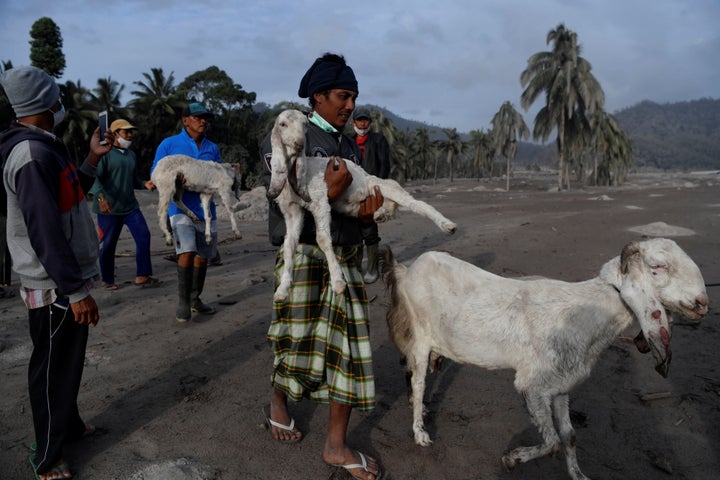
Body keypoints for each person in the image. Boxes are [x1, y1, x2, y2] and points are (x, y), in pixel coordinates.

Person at [261, 53, 384, 480]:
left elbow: (354, 202)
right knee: (294, 341)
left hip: (342, 261)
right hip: (303, 256)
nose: (350, 106)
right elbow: (278, 198)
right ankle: (278, 403)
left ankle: (335, 445)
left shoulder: (349, 145)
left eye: (353, 97)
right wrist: (326, 194)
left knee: (347, 350)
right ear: (318, 97)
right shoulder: (288, 132)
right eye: (342, 96)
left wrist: (367, 219)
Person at [0, 66, 112, 480]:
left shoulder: (47, 145)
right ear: (46, 103)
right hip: (51, 284)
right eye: (56, 96)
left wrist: (92, 159)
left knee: (69, 358)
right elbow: (44, 231)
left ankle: (69, 424)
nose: (61, 102)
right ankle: (47, 455)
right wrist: (75, 291)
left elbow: (73, 194)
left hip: (66, 279)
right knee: (50, 368)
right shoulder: (30, 156)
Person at [149, 103, 219, 323]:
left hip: (206, 211)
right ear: (185, 120)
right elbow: (155, 171)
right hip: (178, 208)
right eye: (198, 117)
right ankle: (183, 303)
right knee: (187, 251)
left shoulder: (212, 148)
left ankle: (195, 298)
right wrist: (172, 180)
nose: (203, 121)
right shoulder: (169, 145)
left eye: (205, 118)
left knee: (202, 258)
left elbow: (218, 174)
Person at [90, 118, 160, 290]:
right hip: (108, 208)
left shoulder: (131, 155)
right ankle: (107, 280)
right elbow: (95, 178)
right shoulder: (104, 153)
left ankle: (142, 275)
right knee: (108, 245)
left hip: (130, 206)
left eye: (131, 132)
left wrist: (144, 183)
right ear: (114, 134)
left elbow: (133, 179)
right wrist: (100, 197)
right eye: (125, 131)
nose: (130, 135)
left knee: (143, 235)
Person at [350, 107, 390, 283]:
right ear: (353, 123)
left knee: (370, 230)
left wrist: (379, 188)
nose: (362, 123)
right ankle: (356, 268)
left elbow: (384, 165)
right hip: (351, 192)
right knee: (353, 231)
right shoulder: (348, 141)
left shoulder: (378, 140)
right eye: (359, 120)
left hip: (371, 190)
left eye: (365, 120)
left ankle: (372, 269)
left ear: (370, 122)